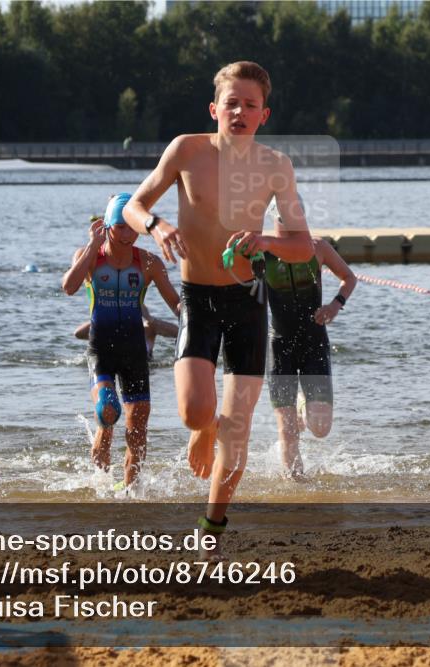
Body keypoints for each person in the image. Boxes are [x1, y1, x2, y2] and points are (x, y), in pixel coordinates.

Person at [123, 61, 313, 555]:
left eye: (250, 105)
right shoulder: (187, 150)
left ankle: (212, 527)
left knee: (238, 425)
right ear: (214, 109)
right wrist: (157, 226)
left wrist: (266, 241)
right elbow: (132, 206)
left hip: (248, 301)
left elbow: (302, 246)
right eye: (232, 103)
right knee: (195, 412)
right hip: (198, 298)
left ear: (264, 114)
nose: (240, 112)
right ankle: (203, 429)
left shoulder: (276, 166)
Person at [63, 192, 180, 489]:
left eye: (132, 228)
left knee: (137, 428)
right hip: (101, 348)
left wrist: (200, 316)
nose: (128, 235)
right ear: (107, 226)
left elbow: (176, 304)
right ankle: (102, 482)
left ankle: (130, 492)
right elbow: (69, 287)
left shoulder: (149, 263)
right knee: (108, 409)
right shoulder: (89, 256)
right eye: (120, 227)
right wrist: (93, 245)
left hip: (134, 352)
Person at [265, 225, 356, 480]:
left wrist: (335, 306)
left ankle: (303, 403)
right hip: (279, 345)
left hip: (313, 342)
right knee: (287, 429)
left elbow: (349, 277)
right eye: (283, 220)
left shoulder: (318, 247)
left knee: (320, 428)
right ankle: (296, 487)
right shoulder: (264, 251)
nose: (290, 225)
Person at [73, 303, 178, 361]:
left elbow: (178, 333)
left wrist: (150, 319)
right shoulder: (110, 328)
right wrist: (103, 317)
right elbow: (78, 334)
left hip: (145, 368)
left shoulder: (148, 329)